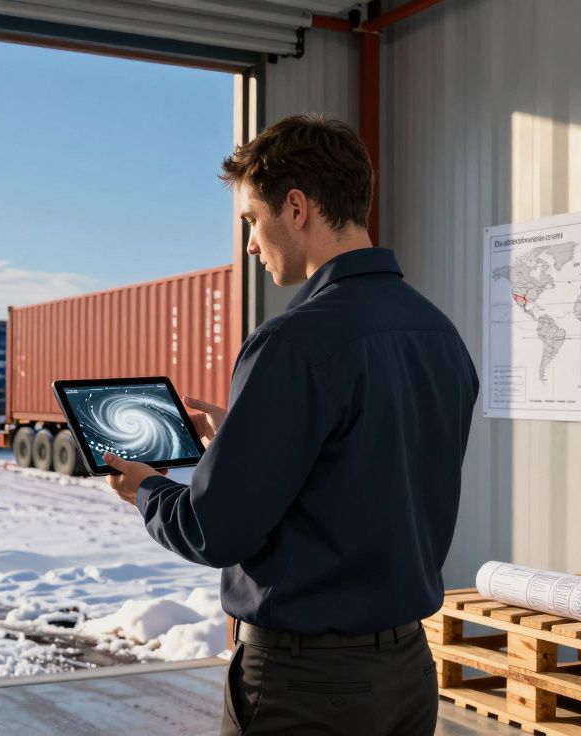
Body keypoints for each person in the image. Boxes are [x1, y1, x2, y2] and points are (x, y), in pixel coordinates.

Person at [102, 113, 479, 736]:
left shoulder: (292, 342)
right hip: (408, 673)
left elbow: (213, 529)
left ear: (297, 208)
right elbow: (364, 469)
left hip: (308, 688)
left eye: (252, 219)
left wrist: (146, 488)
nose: (251, 243)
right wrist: (247, 436)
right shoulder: (438, 334)